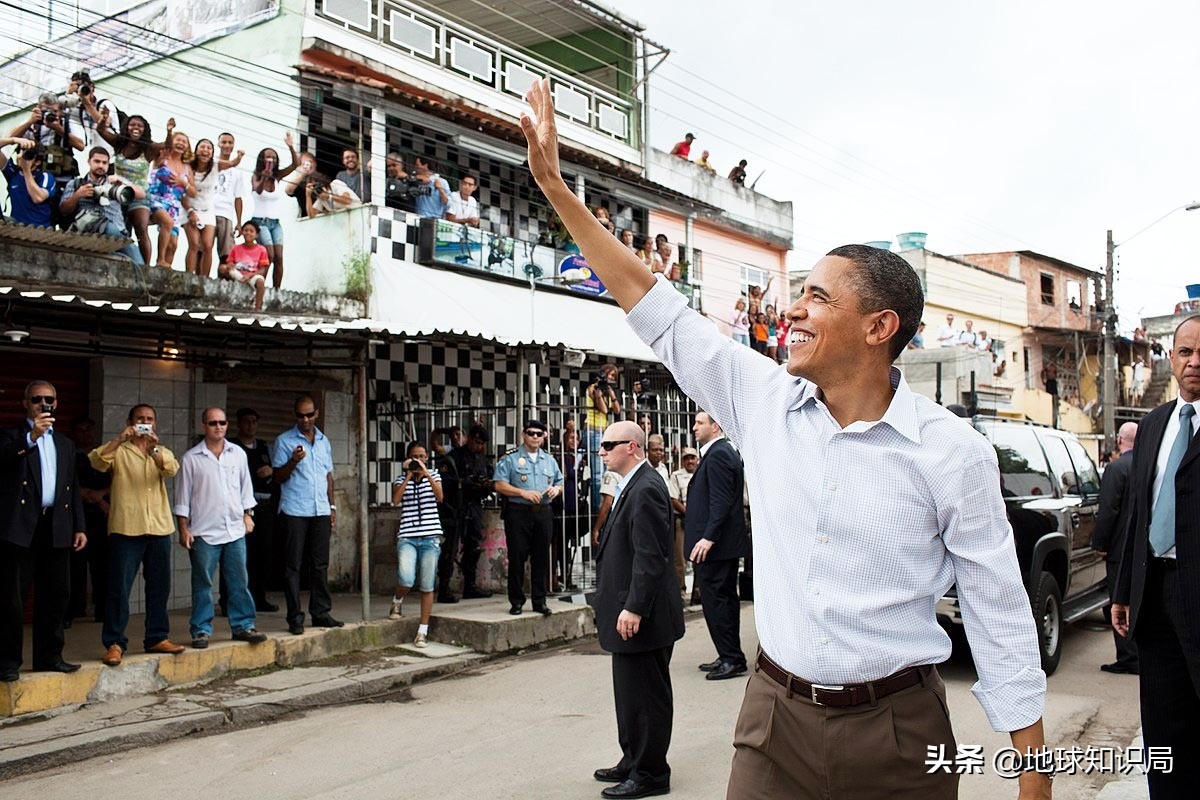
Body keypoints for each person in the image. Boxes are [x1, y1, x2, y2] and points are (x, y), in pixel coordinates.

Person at [519, 78, 1050, 798]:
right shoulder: (761, 400)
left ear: (880, 327)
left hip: (899, 732)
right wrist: (555, 187)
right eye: (799, 293)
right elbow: (655, 305)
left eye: (818, 298)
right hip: (774, 721)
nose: (793, 310)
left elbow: (997, 609)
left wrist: (1033, 773)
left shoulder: (951, 453)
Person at [1112, 315, 1200, 800]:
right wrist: (1124, 590)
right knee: (1165, 732)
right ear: (1172, 358)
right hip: (1155, 598)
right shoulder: (1153, 425)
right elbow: (1137, 514)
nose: (1194, 362)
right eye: (1185, 352)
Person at [591, 421, 685, 799]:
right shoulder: (631, 483)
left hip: (643, 617)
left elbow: (650, 555)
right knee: (630, 695)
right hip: (629, 613)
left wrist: (634, 607)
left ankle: (650, 773)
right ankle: (632, 759)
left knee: (647, 698)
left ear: (631, 446)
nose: (601, 452)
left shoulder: (646, 487)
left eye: (608, 445)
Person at [0, 381, 87, 680]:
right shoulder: (11, 436)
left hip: (57, 524)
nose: (42, 404)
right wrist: (32, 437)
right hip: (21, 527)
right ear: (26, 403)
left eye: (48, 399)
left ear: (56, 403)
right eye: (36, 399)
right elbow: (4, 459)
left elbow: (72, 487)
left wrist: (79, 526)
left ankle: (49, 656)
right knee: (12, 598)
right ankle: (7, 662)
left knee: (56, 594)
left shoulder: (65, 443)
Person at [90, 404, 186, 666]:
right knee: (119, 588)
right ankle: (114, 643)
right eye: (140, 419)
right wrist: (121, 438)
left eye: (149, 419)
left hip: (158, 528)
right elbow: (97, 461)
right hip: (126, 528)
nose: (145, 423)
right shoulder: (120, 451)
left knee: (159, 587)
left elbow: (171, 470)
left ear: (155, 423)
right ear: (130, 422)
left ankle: (157, 636)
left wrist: (153, 449)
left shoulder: (161, 450)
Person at [173, 408, 267, 649]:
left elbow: (246, 489)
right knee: (203, 583)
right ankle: (201, 630)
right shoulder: (191, 458)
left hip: (234, 528)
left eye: (222, 423)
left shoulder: (238, 454)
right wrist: (183, 529)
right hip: (204, 531)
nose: (218, 427)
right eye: (213, 423)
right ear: (204, 425)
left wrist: (248, 515)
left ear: (227, 425)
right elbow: (182, 498)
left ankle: (243, 625)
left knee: (239, 581)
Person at [686, 411, 749, 681]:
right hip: (718, 547)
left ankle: (732, 659)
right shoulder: (717, 452)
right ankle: (727, 654)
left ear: (716, 426)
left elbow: (721, 501)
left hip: (716, 547)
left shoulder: (720, 454)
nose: (694, 427)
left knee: (719, 602)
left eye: (700, 423)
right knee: (720, 601)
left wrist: (708, 537)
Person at [272, 395, 341, 635]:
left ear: (316, 414)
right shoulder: (284, 441)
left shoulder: (324, 441)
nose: (305, 420)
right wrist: (293, 461)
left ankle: (320, 613)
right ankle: (295, 617)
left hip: (320, 509)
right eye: (301, 415)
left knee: (320, 564)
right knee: (293, 566)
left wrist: (332, 507)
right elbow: (277, 477)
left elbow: (328, 476)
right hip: (295, 510)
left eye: (309, 415)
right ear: (295, 416)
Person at [493, 419, 562, 616]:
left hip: (543, 512)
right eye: (531, 433)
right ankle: (516, 601)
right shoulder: (511, 458)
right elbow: (499, 484)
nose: (535, 437)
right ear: (523, 434)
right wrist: (522, 493)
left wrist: (556, 490)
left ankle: (540, 601)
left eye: (539, 434)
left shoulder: (549, 459)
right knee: (517, 557)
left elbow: (559, 481)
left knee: (541, 557)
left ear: (544, 437)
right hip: (518, 512)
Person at [1092, 421, 1139, 675]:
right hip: (1145, 548)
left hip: (1120, 549)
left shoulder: (1116, 468)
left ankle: (1128, 657)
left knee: (1119, 600)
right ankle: (1141, 654)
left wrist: (1101, 543)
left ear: (1120, 440)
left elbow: (1108, 510)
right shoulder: (1149, 465)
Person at [97, 113, 174, 266]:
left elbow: (167, 146)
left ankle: (145, 266)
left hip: (139, 196)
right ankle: (121, 261)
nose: (136, 128)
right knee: (120, 229)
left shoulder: (148, 149)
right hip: (118, 194)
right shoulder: (119, 143)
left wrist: (169, 131)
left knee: (141, 228)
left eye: (140, 126)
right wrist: (102, 121)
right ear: (127, 127)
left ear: (145, 129)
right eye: (132, 125)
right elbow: (101, 131)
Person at [389, 442, 443, 647]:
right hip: (408, 537)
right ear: (408, 459)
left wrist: (425, 473)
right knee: (406, 578)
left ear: (427, 458)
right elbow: (395, 500)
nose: (418, 460)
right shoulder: (400, 479)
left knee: (427, 585)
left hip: (430, 537)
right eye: (414, 457)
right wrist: (409, 475)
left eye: (422, 456)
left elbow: (440, 496)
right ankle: (397, 600)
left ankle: (423, 631)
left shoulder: (434, 475)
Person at [228, 408, 278, 613]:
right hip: (239, 507)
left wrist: (271, 470)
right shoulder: (231, 447)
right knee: (239, 555)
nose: (251, 426)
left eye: (254, 422)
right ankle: (230, 600)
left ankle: (259, 598)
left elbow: (278, 470)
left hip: (263, 505)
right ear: (239, 424)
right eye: (246, 422)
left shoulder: (264, 447)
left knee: (262, 554)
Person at [58, 146, 145, 263]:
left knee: (129, 250)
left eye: (104, 163)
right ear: (89, 161)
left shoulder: (115, 183)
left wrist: (121, 182)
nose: (101, 166)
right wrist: (78, 195)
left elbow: (141, 194)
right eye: (97, 161)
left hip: (117, 233)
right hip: (89, 231)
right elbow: (63, 210)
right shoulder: (76, 184)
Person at [66, 417, 111, 625]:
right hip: (76, 517)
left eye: (88, 430)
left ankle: (102, 610)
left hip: (101, 516)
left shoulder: (104, 455)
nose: (85, 434)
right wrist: (86, 495)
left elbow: (117, 480)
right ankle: (72, 611)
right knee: (74, 567)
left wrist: (101, 496)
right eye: (80, 430)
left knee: (102, 566)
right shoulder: (70, 454)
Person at [184, 138, 243, 277]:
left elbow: (232, 163)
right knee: (194, 245)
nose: (205, 150)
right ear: (196, 150)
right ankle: (189, 276)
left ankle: (204, 279)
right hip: (191, 208)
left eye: (208, 148)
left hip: (209, 210)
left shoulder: (216, 166)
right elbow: (183, 193)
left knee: (208, 245)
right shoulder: (188, 167)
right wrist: (190, 211)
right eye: (202, 147)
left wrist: (239, 157)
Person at [450, 425, 495, 600]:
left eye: (482, 443)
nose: (479, 446)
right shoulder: (455, 456)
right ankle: (444, 586)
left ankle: (470, 585)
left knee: (473, 546)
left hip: (475, 506)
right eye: (476, 442)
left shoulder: (481, 459)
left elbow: (490, 480)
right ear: (469, 438)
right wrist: (465, 483)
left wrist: (485, 485)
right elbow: (447, 483)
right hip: (456, 507)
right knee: (450, 547)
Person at [250, 133, 299, 290]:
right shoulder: (256, 176)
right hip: (260, 223)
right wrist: (264, 177)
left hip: (275, 223)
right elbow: (257, 190)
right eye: (268, 157)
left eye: (273, 158)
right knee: (268, 255)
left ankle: (276, 290)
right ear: (262, 160)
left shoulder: (277, 177)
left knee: (279, 257)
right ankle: (259, 286)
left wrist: (290, 146)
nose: (271, 160)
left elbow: (295, 164)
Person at [146, 129, 196, 268]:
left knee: (173, 244)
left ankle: (165, 269)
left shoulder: (187, 167)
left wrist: (184, 183)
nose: (181, 143)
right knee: (167, 222)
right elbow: (156, 163)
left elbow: (193, 192)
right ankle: (160, 260)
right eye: (178, 140)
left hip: (174, 205)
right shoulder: (163, 157)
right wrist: (169, 131)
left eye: (184, 142)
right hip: (156, 199)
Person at [585, 365, 622, 511]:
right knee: (597, 474)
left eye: (614, 376)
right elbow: (604, 410)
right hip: (592, 430)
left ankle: (606, 505)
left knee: (606, 471)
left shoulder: (607, 391)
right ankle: (597, 507)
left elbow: (617, 410)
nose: (611, 378)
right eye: (610, 375)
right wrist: (599, 393)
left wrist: (611, 394)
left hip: (603, 432)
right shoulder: (592, 388)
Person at [0, 136, 55, 228]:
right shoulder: (13, 173)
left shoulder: (45, 177)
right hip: (16, 226)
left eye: (27, 155)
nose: (21, 156)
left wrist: (26, 169)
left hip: (39, 228)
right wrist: (13, 140)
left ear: (37, 161)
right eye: (19, 151)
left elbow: (38, 198)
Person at [666, 448, 698, 597]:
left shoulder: (701, 473)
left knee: (699, 557)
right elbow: (673, 499)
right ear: (683, 460)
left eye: (692, 458)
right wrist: (689, 513)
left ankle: (698, 592)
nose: (690, 461)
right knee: (680, 558)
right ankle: (680, 592)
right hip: (683, 519)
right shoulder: (676, 476)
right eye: (687, 458)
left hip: (699, 521)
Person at [218, 220, 270, 311]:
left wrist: (250, 275)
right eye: (246, 230)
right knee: (222, 268)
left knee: (260, 282)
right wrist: (230, 265)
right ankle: (223, 298)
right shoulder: (236, 248)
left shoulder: (262, 249)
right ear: (242, 232)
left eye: (251, 231)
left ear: (256, 235)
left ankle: (257, 308)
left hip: (252, 275)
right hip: (238, 274)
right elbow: (230, 262)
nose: (248, 233)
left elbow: (263, 270)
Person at [213, 132, 246, 267]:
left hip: (226, 213)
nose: (227, 145)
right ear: (218, 144)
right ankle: (200, 277)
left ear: (233, 145)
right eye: (223, 142)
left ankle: (223, 278)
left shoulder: (237, 172)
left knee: (227, 253)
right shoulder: (212, 163)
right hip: (208, 211)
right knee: (202, 248)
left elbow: (238, 198)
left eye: (230, 142)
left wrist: (239, 222)